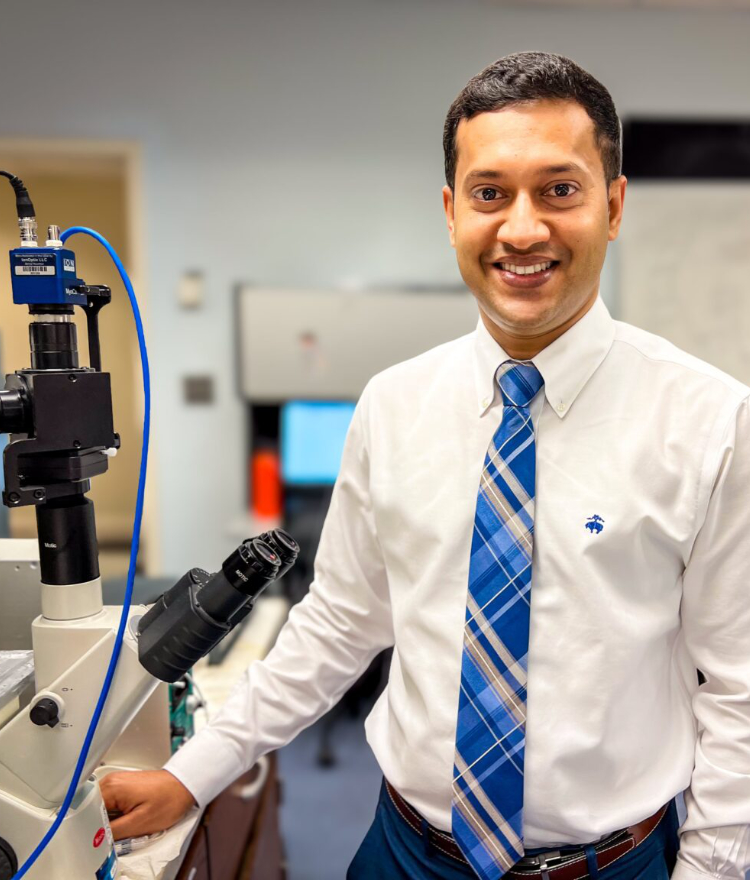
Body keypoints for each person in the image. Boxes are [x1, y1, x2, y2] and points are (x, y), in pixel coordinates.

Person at [101, 52, 750, 880]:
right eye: (490, 193)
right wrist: (195, 772)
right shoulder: (393, 405)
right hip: (405, 854)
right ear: (450, 212)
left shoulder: (710, 420)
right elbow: (340, 624)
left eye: (560, 190)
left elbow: (738, 691)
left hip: (611, 863)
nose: (522, 228)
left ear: (614, 205)